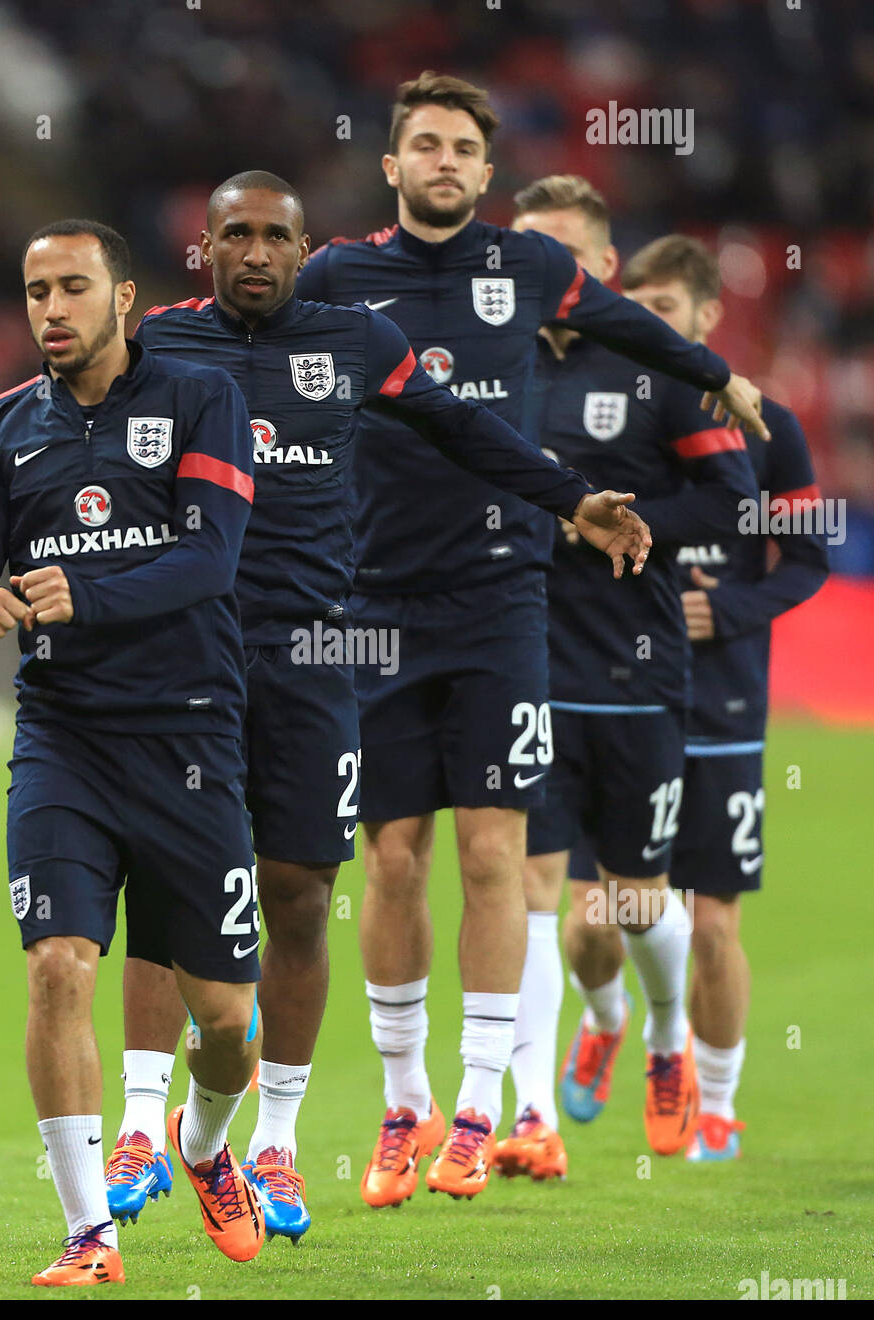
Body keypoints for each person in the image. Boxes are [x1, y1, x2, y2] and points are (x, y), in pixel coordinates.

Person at [111, 170, 651, 1240]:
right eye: (235, 235)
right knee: (175, 881)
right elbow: (71, 431)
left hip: (317, 656)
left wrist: (572, 498)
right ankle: (137, 1119)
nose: (255, 252)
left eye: (275, 236)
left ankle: (275, 1142)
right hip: (186, 657)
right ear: (204, 249)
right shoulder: (159, 346)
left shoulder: (356, 340)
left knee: (303, 895)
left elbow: (467, 429)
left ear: (304, 250)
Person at [296, 71, 768, 1205]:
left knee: (497, 853)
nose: (445, 161)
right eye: (425, 144)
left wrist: (720, 372)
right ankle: (401, 1101)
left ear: (486, 174)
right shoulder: (335, 277)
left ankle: (479, 1104)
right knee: (393, 858)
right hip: (372, 607)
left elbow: (633, 326)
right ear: (392, 166)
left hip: (504, 599)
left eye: (463, 146)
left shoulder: (530, 270)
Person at [0, 219, 266, 1282]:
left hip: (190, 735)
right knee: (58, 967)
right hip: (63, 738)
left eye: (72, 287)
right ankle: (89, 1233)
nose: (50, 310)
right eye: (35, 292)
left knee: (226, 1021)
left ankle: (205, 1145)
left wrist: (88, 595)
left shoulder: (202, 399)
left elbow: (211, 560)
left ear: (124, 298)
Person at [509, 178, 757, 1167]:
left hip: (634, 672)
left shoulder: (658, 369)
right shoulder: (489, 372)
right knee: (529, 896)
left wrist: (633, 526)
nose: (541, 274)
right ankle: (525, 1114)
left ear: (604, 271)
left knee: (632, 902)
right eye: (525, 253)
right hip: (518, 667)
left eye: (562, 254)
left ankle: (662, 1036)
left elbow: (734, 498)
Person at [619, 235, 827, 1158]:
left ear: (707, 317)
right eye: (636, 306)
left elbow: (809, 559)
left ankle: (718, 1103)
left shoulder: (770, 425)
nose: (648, 324)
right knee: (615, 908)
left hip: (722, 708)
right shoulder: (611, 421)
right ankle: (609, 1025)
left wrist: (731, 610)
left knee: (713, 918)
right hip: (622, 696)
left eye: (666, 308)